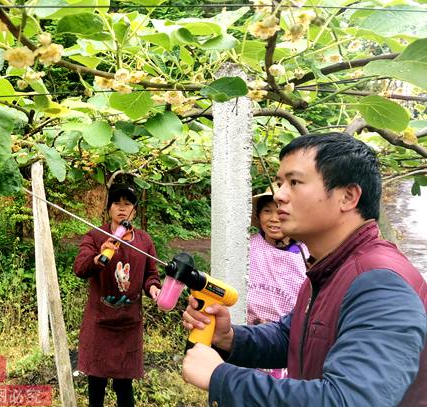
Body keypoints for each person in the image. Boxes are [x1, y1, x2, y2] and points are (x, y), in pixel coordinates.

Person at [181, 132, 427, 406]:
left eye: (295, 182)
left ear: (348, 196)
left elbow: (347, 400)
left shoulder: (381, 284)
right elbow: (294, 335)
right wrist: (230, 338)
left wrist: (221, 377)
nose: (280, 196)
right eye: (279, 183)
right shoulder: (330, 268)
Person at [74, 183, 161, 407]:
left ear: (134, 210)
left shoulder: (144, 241)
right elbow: (80, 268)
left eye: (128, 204)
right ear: (109, 208)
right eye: (117, 203)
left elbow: (151, 275)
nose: (122, 208)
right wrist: (98, 257)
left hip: (128, 324)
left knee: (124, 386)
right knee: (96, 384)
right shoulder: (95, 236)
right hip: (100, 323)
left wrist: (154, 290)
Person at [247, 187, 308, 378]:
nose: (274, 218)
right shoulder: (248, 246)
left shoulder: (307, 254)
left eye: (280, 210)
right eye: (267, 211)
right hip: (246, 335)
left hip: (284, 341)